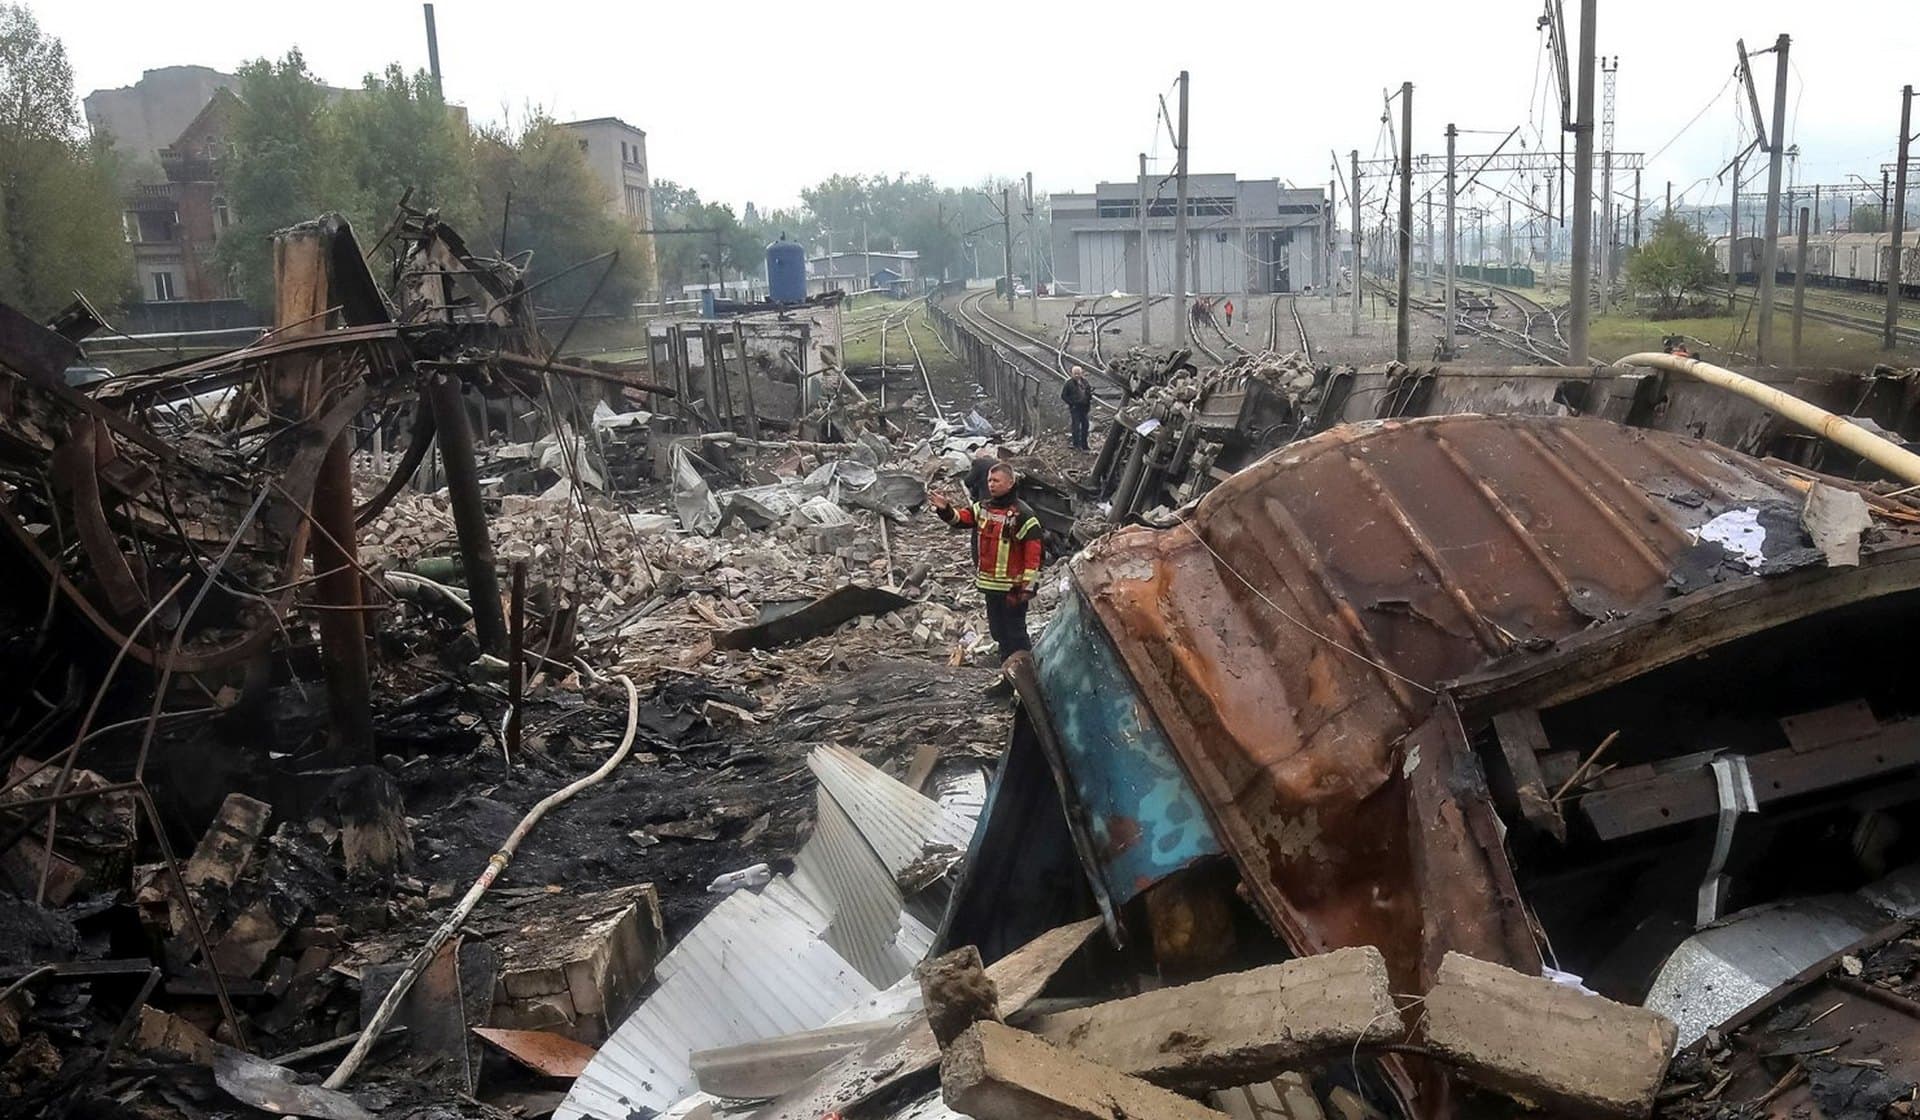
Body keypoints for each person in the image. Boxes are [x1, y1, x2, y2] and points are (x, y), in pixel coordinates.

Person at [929, 462, 1043, 682]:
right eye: (989, 480)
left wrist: (1028, 588)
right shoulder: (982, 508)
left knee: (1016, 635)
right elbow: (959, 519)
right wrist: (945, 509)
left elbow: (1034, 557)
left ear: (1010, 483)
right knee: (999, 632)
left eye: (996, 481)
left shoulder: (1024, 515)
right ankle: (1006, 673)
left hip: (1013, 589)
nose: (991, 484)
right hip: (991, 588)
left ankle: (1028, 678)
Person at [1060, 366, 1094, 451]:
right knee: (1076, 426)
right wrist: (1072, 403)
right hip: (1075, 408)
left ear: (1081, 374)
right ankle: (1076, 444)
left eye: (1078, 374)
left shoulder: (1085, 382)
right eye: (1075, 374)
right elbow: (1063, 396)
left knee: (1085, 426)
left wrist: (1088, 399)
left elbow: (1088, 393)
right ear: (1072, 374)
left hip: (1084, 408)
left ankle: (1084, 445)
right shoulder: (1069, 383)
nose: (1077, 375)